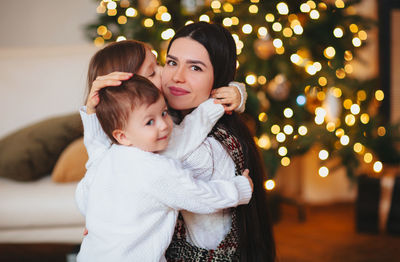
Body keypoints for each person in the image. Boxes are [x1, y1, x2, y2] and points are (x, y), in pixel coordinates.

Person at [82, 22, 276, 261]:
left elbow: (99, 168)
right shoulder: (152, 144)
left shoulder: (195, 149)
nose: (172, 76)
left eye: (195, 67)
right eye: (170, 63)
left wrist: (233, 92)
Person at [75, 75, 253, 261]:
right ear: (122, 136)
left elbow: (96, 147)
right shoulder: (157, 170)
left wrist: (91, 113)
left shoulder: (108, 155)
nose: (164, 125)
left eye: (164, 113)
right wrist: (240, 188)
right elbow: (200, 196)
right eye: (149, 122)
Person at [161, 22, 276, 261]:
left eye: (195, 68)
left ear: (219, 78)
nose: (177, 77)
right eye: (172, 62)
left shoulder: (204, 151)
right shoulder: (179, 118)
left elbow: (144, 168)